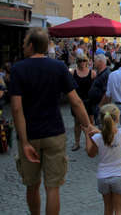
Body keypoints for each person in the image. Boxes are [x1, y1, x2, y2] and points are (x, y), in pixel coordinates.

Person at [9, 27, 95, 215]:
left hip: (30, 134)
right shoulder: (58, 67)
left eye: (24, 43)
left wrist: (23, 142)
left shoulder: (18, 69)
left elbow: (16, 109)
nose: (23, 46)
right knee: (53, 187)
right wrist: (88, 126)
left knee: (32, 185)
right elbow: (76, 101)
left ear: (31, 45)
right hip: (54, 132)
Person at [84, 104, 121, 215]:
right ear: (117, 118)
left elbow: (90, 154)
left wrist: (87, 136)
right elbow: (112, 134)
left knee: (107, 209)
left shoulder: (97, 138)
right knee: (120, 210)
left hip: (103, 177)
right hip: (119, 175)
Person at [70, 54, 97, 151]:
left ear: (87, 62)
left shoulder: (92, 73)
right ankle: (77, 143)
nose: (82, 63)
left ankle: (91, 142)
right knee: (77, 123)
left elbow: (95, 88)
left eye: (84, 61)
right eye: (80, 61)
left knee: (90, 122)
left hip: (89, 101)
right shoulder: (73, 73)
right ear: (77, 62)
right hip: (77, 100)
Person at [88, 54, 111, 125]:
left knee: (103, 125)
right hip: (96, 104)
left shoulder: (106, 74)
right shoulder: (99, 73)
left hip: (101, 106)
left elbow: (107, 92)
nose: (93, 63)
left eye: (95, 61)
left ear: (100, 62)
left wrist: (100, 106)